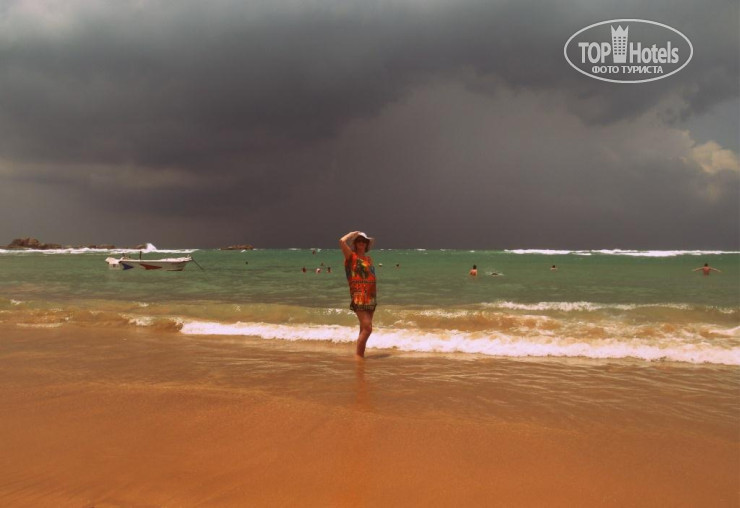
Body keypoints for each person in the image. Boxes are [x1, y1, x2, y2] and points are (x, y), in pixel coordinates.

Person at [340, 231, 377, 358]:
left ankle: (361, 356)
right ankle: (358, 357)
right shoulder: (351, 257)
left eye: (364, 241)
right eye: (359, 241)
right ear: (355, 243)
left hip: (371, 296)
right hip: (359, 296)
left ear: (367, 244)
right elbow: (341, 241)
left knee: (363, 329)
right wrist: (351, 234)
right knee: (368, 328)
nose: (361, 243)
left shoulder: (368, 259)